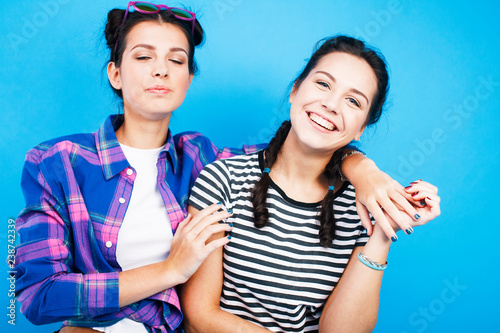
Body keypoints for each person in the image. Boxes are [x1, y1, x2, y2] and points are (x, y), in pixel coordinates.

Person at [15, 2, 426, 333]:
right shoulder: (56, 163)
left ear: (189, 78)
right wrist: (170, 270)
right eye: (143, 57)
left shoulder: (199, 158)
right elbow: (36, 298)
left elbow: (300, 151)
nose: (161, 70)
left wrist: (363, 169)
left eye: (177, 60)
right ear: (116, 73)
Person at [182, 35, 441, 332]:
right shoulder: (223, 179)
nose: (331, 104)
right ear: (295, 90)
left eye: (353, 101)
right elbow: (198, 317)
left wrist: (383, 231)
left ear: (361, 128)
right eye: (323, 84)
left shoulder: (360, 207)